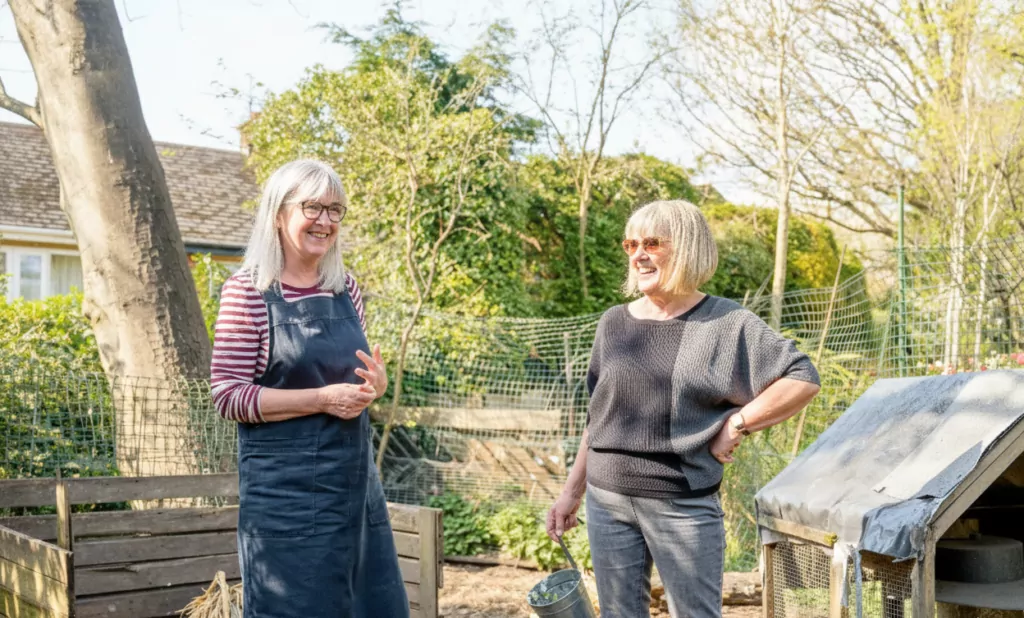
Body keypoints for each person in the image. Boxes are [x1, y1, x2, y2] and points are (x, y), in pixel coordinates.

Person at [546, 200, 821, 618]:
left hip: (681, 504)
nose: (638, 255)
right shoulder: (613, 323)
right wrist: (570, 493)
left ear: (688, 247)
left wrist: (739, 423)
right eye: (630, 245)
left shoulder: (726, 322)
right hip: (606, 500)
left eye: (652, 243)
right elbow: (597, 420)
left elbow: (802, 377)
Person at [211, 159, 409, 618]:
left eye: (335, 210)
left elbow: (351, 381)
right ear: (278, 214)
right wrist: (321, 400)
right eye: (312, 207)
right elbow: (228, 395)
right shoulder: (248, 292)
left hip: (354, 490)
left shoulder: (345, 288)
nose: (325, 220)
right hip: (287, 500)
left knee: (372, 607)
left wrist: (375, 385)